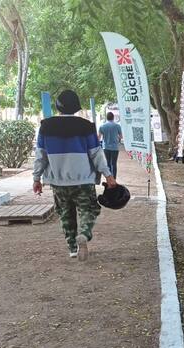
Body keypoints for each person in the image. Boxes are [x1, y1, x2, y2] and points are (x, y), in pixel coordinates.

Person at [33, 89, 117, 261]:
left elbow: (40, 155)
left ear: (58, 106)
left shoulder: (45, 126)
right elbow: (96, 153)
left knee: (65, 213)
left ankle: (72, 247)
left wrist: (36, 178)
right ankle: (84, 235)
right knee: (89, 209)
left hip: (58, 181)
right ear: (77, 107)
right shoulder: (86, 126)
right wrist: (108, 175)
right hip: (83, 180)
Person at [98, 112, 122, 178]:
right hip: (115, 147)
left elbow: (99, 137)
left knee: (108, 163)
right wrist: (117, 138)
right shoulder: (117, 126)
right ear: (113, 117)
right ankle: (114, 179)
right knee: (114, 163)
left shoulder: (102, 126)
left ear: (107, 117)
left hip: (106, 147)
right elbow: (121, 136)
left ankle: (109, 179)